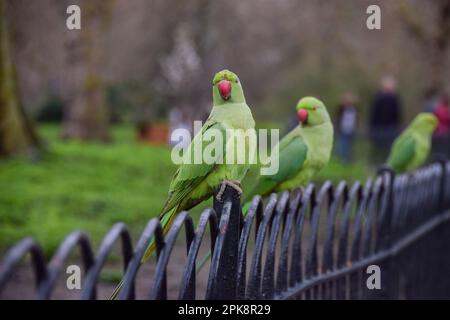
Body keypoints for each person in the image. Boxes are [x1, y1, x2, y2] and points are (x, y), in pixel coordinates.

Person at [369, 76, 402, 163]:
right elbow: (373, 113)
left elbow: (397, 113)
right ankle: (375, 163)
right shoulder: (378, 97)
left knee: (389, 148)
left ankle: (387, 163)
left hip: (390, 128)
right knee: (377, 148)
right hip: (379, 127)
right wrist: (372, 127)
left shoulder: (395, 98)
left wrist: (397, 126)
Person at [336, 92, 358, 163]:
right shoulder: (342, 108)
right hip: (343, 130)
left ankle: (347, 161)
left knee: (349, 147)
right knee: (342, 146)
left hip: (351, 130)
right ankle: (341, 160)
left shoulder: (354, 109)